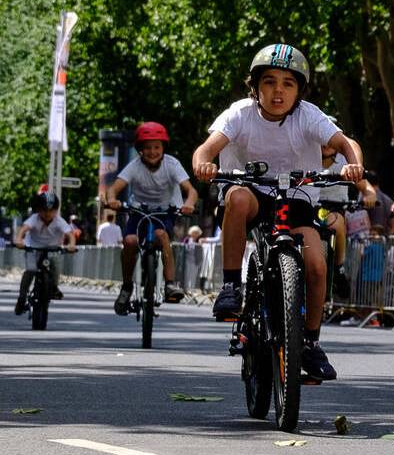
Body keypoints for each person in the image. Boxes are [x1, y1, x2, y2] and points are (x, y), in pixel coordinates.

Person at [191, 43, 363, 382]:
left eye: (288, 83)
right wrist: (202, 164)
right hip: (251, 192)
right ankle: (231, 288)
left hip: (297, 198)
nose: (278, 91)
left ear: (299, 90)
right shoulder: (239, 114)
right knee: (237, 200)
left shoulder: (309, 115)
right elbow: (206, 149)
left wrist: (355, 165)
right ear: (255, 87)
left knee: (316, 264)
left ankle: (310, 343)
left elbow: (345, 144)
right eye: (269, 82)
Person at [107, 121, 199, 312]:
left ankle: (170, 284)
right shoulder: (134, 166)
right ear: (140, 149)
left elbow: (190, 190)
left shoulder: (172, 164)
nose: (152, 151)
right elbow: (114, 189)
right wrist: (112, 200)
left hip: (165, 211)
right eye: (147, 147)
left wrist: (189, 204)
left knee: (161, 235)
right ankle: (126, 286)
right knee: (130, 241)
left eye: (156, 147)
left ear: (163, 147)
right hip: (139, 210)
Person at [14, 191, 79, 313]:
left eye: (51, 210)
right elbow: (23, 229)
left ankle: (53, 287)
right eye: (44, 210)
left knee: (55, 266)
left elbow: (70, 234)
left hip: (52, 249)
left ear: (56, 210)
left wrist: (71, 245)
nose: (47, 213)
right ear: (38, 210)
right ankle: (22, 298)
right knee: (31, 270)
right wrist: (19, 240)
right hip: (33, 247)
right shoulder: (34, 219)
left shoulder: (59, 221)